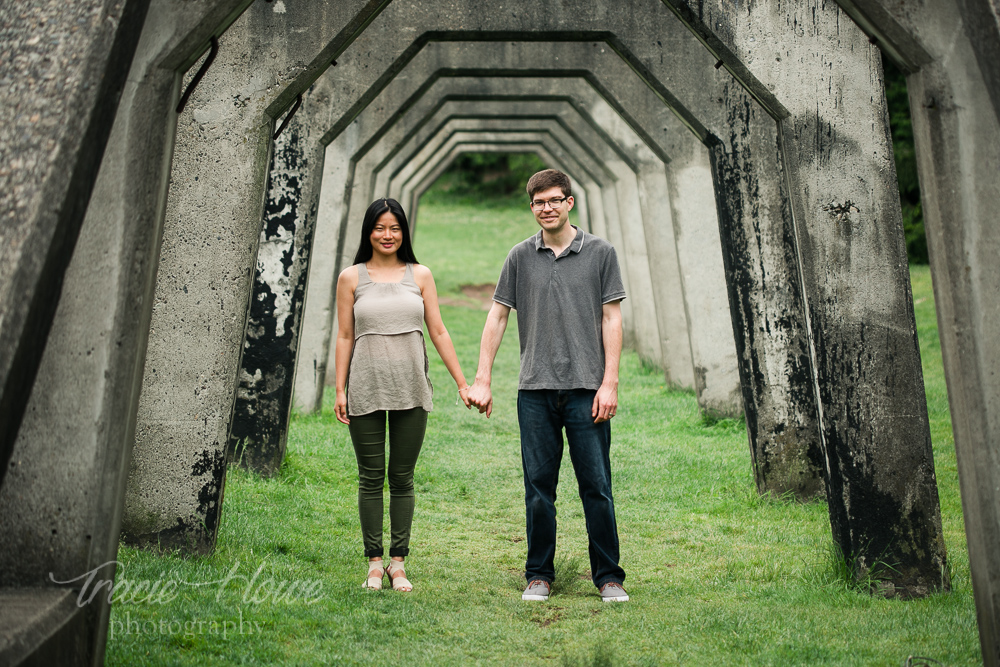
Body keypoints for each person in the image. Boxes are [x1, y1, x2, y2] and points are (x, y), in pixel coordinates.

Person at [467, 169, 629, 603]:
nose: (547, 208)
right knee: (538, 488)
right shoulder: (520, 256)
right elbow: (497, 316)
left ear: (570, 202)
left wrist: (609, 383)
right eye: (539, 202)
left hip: (586, 389)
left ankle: (609, 577)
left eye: (555, 200)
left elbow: (611, 317)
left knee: (596, 485)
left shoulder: (600, 252)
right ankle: (539, 575)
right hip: (535, 390)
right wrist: (482, 377)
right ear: (532, 206)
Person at [334, 198, 471, 592]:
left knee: (402, 477)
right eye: (380, 228)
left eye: (394, 228)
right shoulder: (351, 278)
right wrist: (340, 388)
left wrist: (462, 383)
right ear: (369, 232)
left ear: (403, 232)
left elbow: (439, 331)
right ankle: (374, 564)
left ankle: (398, 562)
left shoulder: (421, 275)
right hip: (366, 386)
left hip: (412, 388)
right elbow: (344, 336)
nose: (387, 235)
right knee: (370, 478)